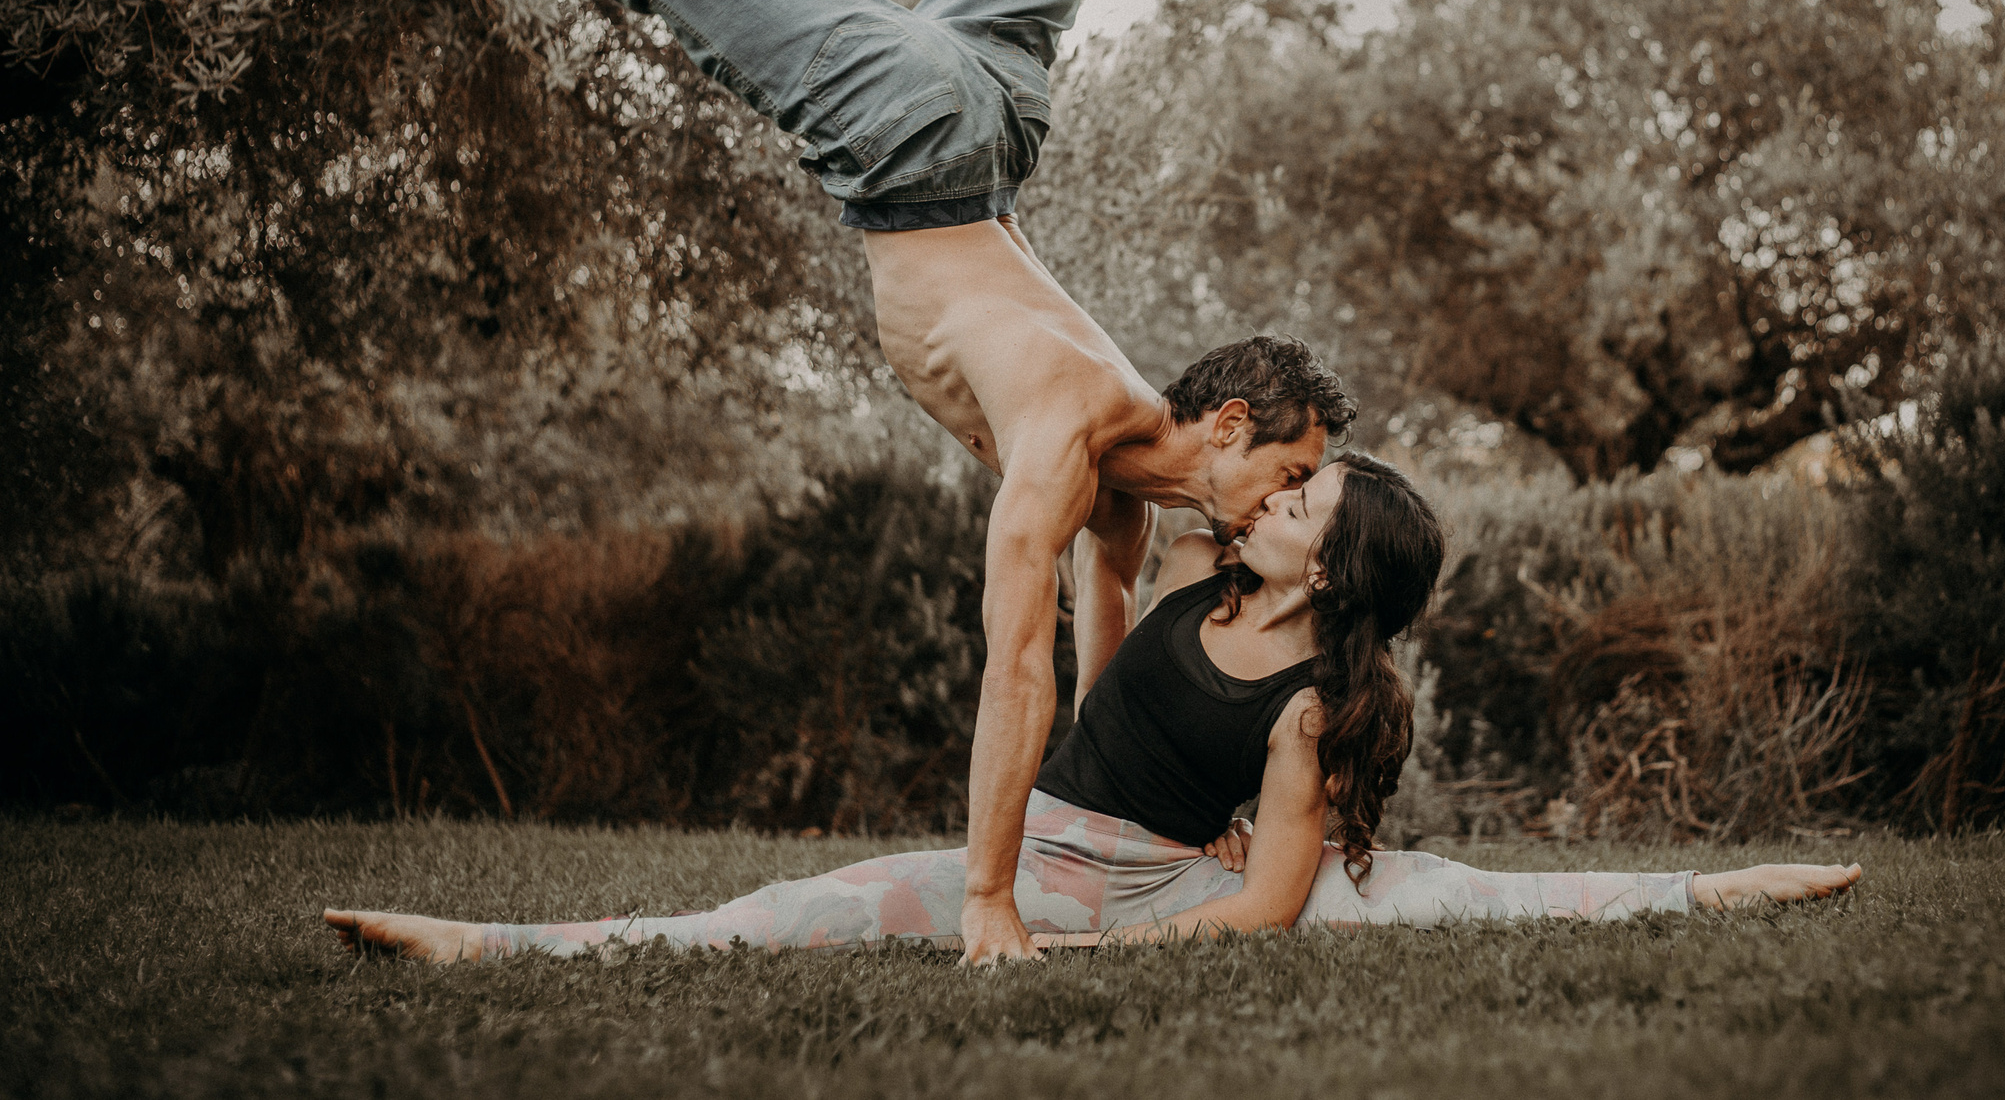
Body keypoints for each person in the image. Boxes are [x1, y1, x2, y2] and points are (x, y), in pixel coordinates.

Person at [222, 0, 1482, 962]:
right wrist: (992, 903)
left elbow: (1103, 669)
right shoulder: (1073, 442)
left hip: (989, 118)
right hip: (919, 136)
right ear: (1232, 425)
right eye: (1293, 474)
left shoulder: (1124, 484)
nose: (1283, 507)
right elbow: (1017, 669)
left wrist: (1139, 832)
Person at [322, 452, 1863, 962]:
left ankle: (1715, 886)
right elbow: (1111, 617)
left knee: (1441, 893)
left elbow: (1264, 909)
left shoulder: (1312, 706)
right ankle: (489, 943)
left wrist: (1082, 954)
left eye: (1303, 502)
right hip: (1048, 846)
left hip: (1127, 888)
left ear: (1335, 569)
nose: (1275, 497)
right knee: (782, 909)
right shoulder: (1203, 575)